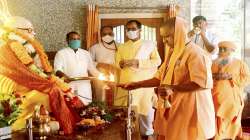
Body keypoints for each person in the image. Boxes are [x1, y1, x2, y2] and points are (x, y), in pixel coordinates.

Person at [119, 17, 216, 140]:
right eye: (163, 37)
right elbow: (160, 78)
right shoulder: (173, 52)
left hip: (190, 107)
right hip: (174, 105)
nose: (164, 41)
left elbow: (202, 83)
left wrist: (172, 88)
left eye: (167, 36)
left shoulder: (196, 53)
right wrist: (136, 84)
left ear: (179, 33)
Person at [0, 16, 81, 134]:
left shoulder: (29, 48)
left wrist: (61, 86)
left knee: (57, 92)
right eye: (29, 30)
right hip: (13, 85)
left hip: (29, 83)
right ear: (16, 30)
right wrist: (49, 85)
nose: (34, 33)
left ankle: (46, 123)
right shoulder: (6, 47)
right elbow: (22, 73)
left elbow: (40, 72)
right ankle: (19, 128)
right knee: (49, 94)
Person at [115, 19, 161, 139]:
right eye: (128, 29)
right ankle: (130, 135)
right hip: (127, 83)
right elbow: (116, 64)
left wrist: (138, 62)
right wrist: (120, 63)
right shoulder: (122, 47)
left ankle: (147, 134)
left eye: (133, 29)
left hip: (144, 84)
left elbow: (157, 61)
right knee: (128, 112)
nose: (130, 31)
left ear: (140, 30)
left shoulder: (149, 45)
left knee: (145, 111)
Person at [212, 41, 250, 139]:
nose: (222, 50)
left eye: (225, 48)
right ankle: (219, 136)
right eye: (220, 48)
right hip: (216, 95)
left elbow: (247, 78)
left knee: (232, 114)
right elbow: (207, 76)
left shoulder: (239, 63)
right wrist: (215, 76)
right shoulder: (213, 62)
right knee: (217, 116)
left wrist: (231, 77)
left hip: (232, 96)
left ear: (232, 51)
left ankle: (232, 135)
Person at [54, 31, 100, 105]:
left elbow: (92, 69)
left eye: (78, 39)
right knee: (71, 108)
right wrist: (64, 76)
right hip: (69, 86)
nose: (76, 41)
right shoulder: (61, 53)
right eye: (73, 39)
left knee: (86, 110)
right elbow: (57, 69)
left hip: (84, 86)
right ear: (67, 41)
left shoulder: (86, 53)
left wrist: (102, 76)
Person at [89, 26, 118, 103]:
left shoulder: (120, 46)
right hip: (100, 75)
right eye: (104, 34)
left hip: (116, 74)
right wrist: (100, 64)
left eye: (109, 33)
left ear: (113, 34)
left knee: (116, 97)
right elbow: (88, 62)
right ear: (101, 35)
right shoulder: (94, 47)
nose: (107, 36)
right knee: (101, 98)